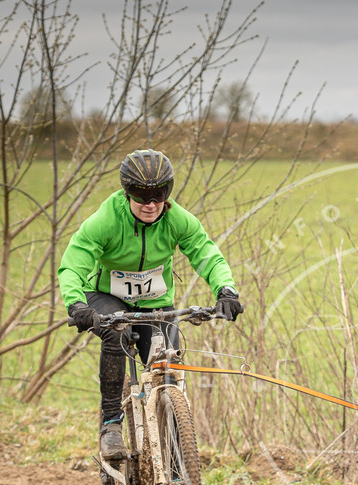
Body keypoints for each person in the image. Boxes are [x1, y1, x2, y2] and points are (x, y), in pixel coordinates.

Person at [59, 149, 243, 459]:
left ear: (168, 192)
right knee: (116, 332)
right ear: (126, 191)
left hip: (156, 304)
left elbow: (205, 253)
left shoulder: (176, 219)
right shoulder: (105, 220)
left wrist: (226, 290)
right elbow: (73, 264)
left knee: (166, 366)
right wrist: (76, 305)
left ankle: (175, 454)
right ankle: (111, 423)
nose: (151, 203)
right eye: (141, 194)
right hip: (105, 297)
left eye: (159, 193)